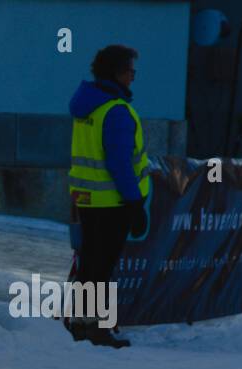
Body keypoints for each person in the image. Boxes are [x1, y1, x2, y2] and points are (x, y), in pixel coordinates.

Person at [66, 44, 151, 348]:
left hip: (87, 199)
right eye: (130, 71)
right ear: (117, 73)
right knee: (101, 267)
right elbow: (120, 163)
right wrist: (135, 203)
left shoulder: (87, 105)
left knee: (89, 263)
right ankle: (99, 328)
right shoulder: (116, 111)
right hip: (112, 202)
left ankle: (79, 324)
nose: (133, 77)